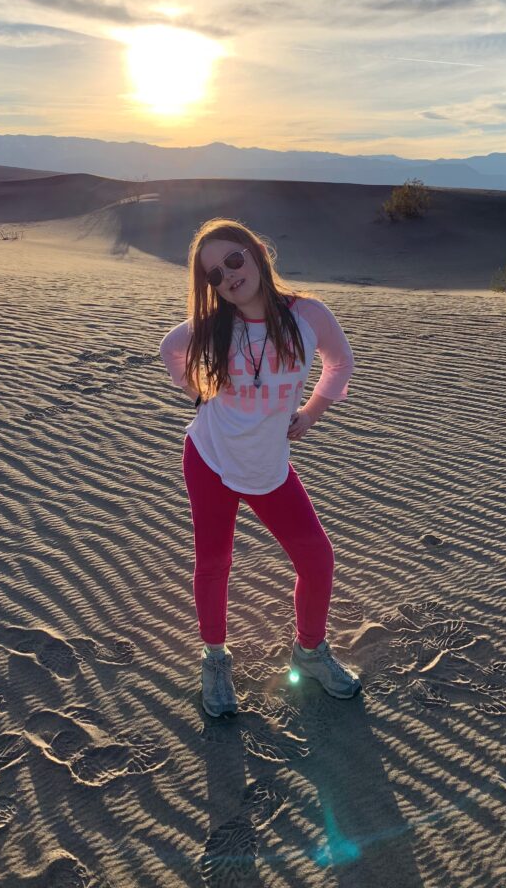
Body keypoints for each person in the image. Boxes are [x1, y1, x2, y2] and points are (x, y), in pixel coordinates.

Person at [159, 218, 362, 718]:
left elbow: (341, 363)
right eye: (213, 274)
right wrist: (200, 395)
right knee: (214, 563)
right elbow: (170, 348)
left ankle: (309, 652)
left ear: (254, 254)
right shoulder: (213, 326)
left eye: (233, 259)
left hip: (269, 465)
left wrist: (311, 413)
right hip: (210, 459)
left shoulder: (308, 314)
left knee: (317, 559)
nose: (228, 276)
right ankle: (214, 658)